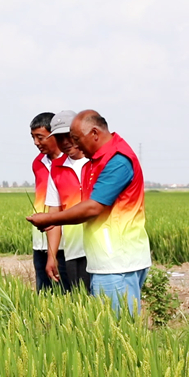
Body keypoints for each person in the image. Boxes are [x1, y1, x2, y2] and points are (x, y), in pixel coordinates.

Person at [27, 110, 151, 315]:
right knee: (103, 322)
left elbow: (94, 207)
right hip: (102, 260)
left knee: (118, 326)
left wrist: (49, 219)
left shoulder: (117, 160)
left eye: (76, 139)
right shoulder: (95, 161)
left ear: (94, 133)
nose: (74, 145)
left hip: (117, 263)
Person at [44, 110, 91, 291]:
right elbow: (54, 215)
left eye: (68, 135)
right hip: (74, 251)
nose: (65, 142)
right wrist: (52, 256)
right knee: (80, 300)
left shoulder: (97, 162)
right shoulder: (56, 169)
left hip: (102, 249)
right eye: (59, 138)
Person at [29, 112, 70, 291]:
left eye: (40, 137)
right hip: (40, 242)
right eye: (33, 137)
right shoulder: (38, 163)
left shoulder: (71, 162)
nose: (36, 142)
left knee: (70, 294)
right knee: (44, 294)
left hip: (67, 244)